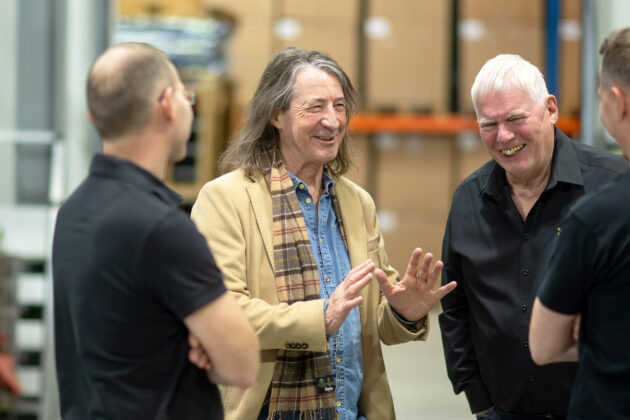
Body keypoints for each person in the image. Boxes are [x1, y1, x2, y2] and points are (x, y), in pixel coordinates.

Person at [190, 47, 456, 420]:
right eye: (315, 107)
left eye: (339, 106)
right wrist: (320, 319)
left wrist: (404, 313)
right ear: (276, 115)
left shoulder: (357, 203)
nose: (332, 120)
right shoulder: (226, 199)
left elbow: (373, 324)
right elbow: (221, 313)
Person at [51, 43, 259, 419]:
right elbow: (241, 364)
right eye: (185, 95)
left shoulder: (73, 211)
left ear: (93, 116)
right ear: (166, 104)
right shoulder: (161, 228)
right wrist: (205, 341)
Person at [438, 53, 629, 420]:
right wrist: (478, 398)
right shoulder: (468, 200)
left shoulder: (613, 185)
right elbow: (455, 306)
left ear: (550, 110)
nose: (504, 136)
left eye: (515, 119)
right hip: (501, 411)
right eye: (488, 124)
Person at [530, 27, 630, 420]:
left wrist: (598, 327)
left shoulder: (597, 218)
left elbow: (543, 345)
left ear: (619, 102)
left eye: (601, 96)